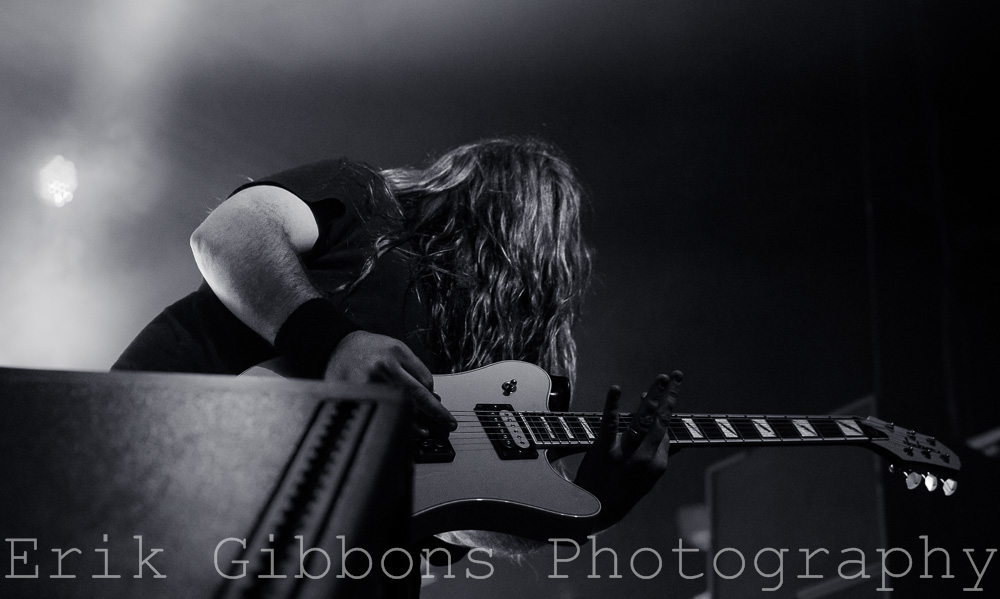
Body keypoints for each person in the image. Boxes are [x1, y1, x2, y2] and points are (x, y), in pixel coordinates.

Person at [113, 136, 680, 543]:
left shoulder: (497, 363)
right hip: (151, 467)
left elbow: (464, 523)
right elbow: (227, 233)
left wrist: (592, 507)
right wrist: (335, 343)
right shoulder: (367, 202)